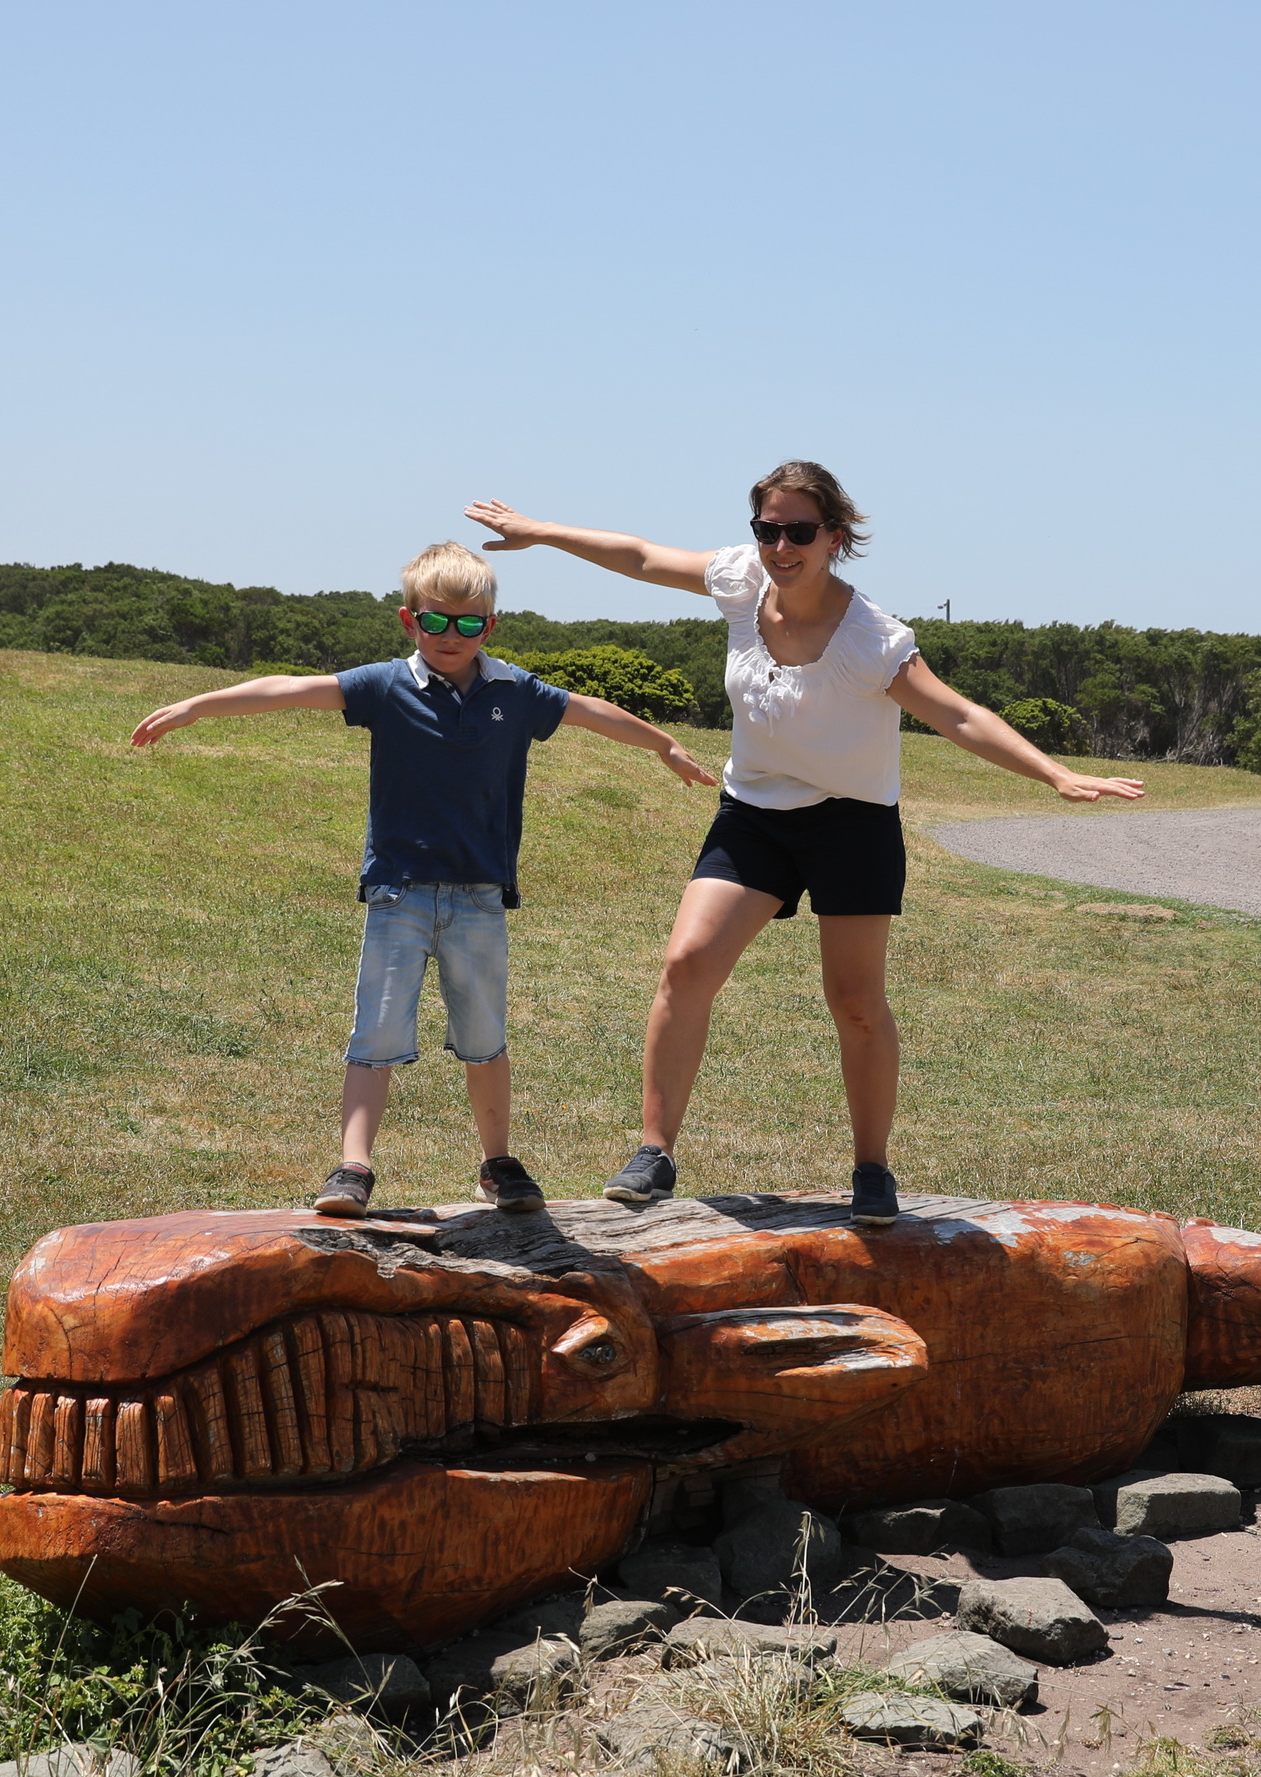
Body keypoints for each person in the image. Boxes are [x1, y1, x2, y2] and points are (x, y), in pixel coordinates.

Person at [465, 462, 1145, 1227]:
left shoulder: (872, 639)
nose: (781, 547)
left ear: (835, 538)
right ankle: (654, 1152)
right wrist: (539, 531)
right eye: (768, 529)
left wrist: (1053, 773)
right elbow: (643, 557)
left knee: (856, 1003)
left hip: (853, 822)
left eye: (799, 531)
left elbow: (957, 715)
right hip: (754, 813)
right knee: (687, 964)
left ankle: (872, 1170)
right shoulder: (739, 582)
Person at [132, 540, 712, 1216]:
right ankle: (353, 1167)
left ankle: (498, 1163)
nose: (450, 635)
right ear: (410, 620)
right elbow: (290, 689)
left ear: (489, 626)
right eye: (435, 620)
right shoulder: (385, 686)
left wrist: (665, 744)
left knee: (484, 1039)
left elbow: (590, 710)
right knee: (375, 1034)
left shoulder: (514, 691)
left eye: (468, 623)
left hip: (480, 897)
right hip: (398, 892)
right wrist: (198, 706)